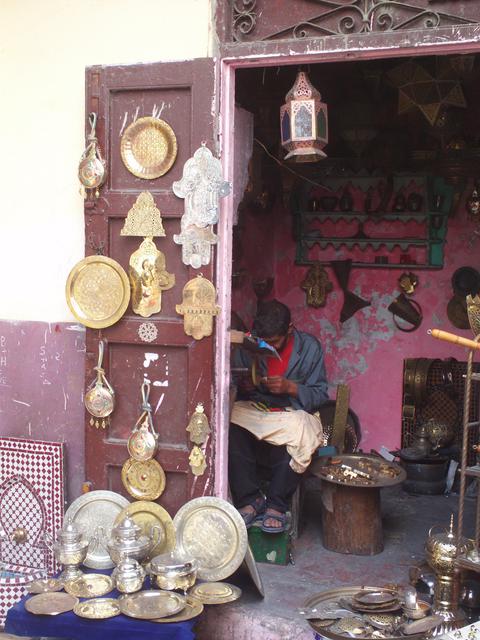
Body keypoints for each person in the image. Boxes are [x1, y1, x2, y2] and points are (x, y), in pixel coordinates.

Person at [229, 300, 329, 533]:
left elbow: (320, 395)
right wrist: (245, 384)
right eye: (262, 342)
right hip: (257, 408)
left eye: (273, 343)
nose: (267, 347)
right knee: (230, 423)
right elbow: (235, 383)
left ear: (290, 329)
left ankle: (276, 504)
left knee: (299, 433)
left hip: (291, 410)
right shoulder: (249, 345)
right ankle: (250, 499)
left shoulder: (310, 348)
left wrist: (290, 388)